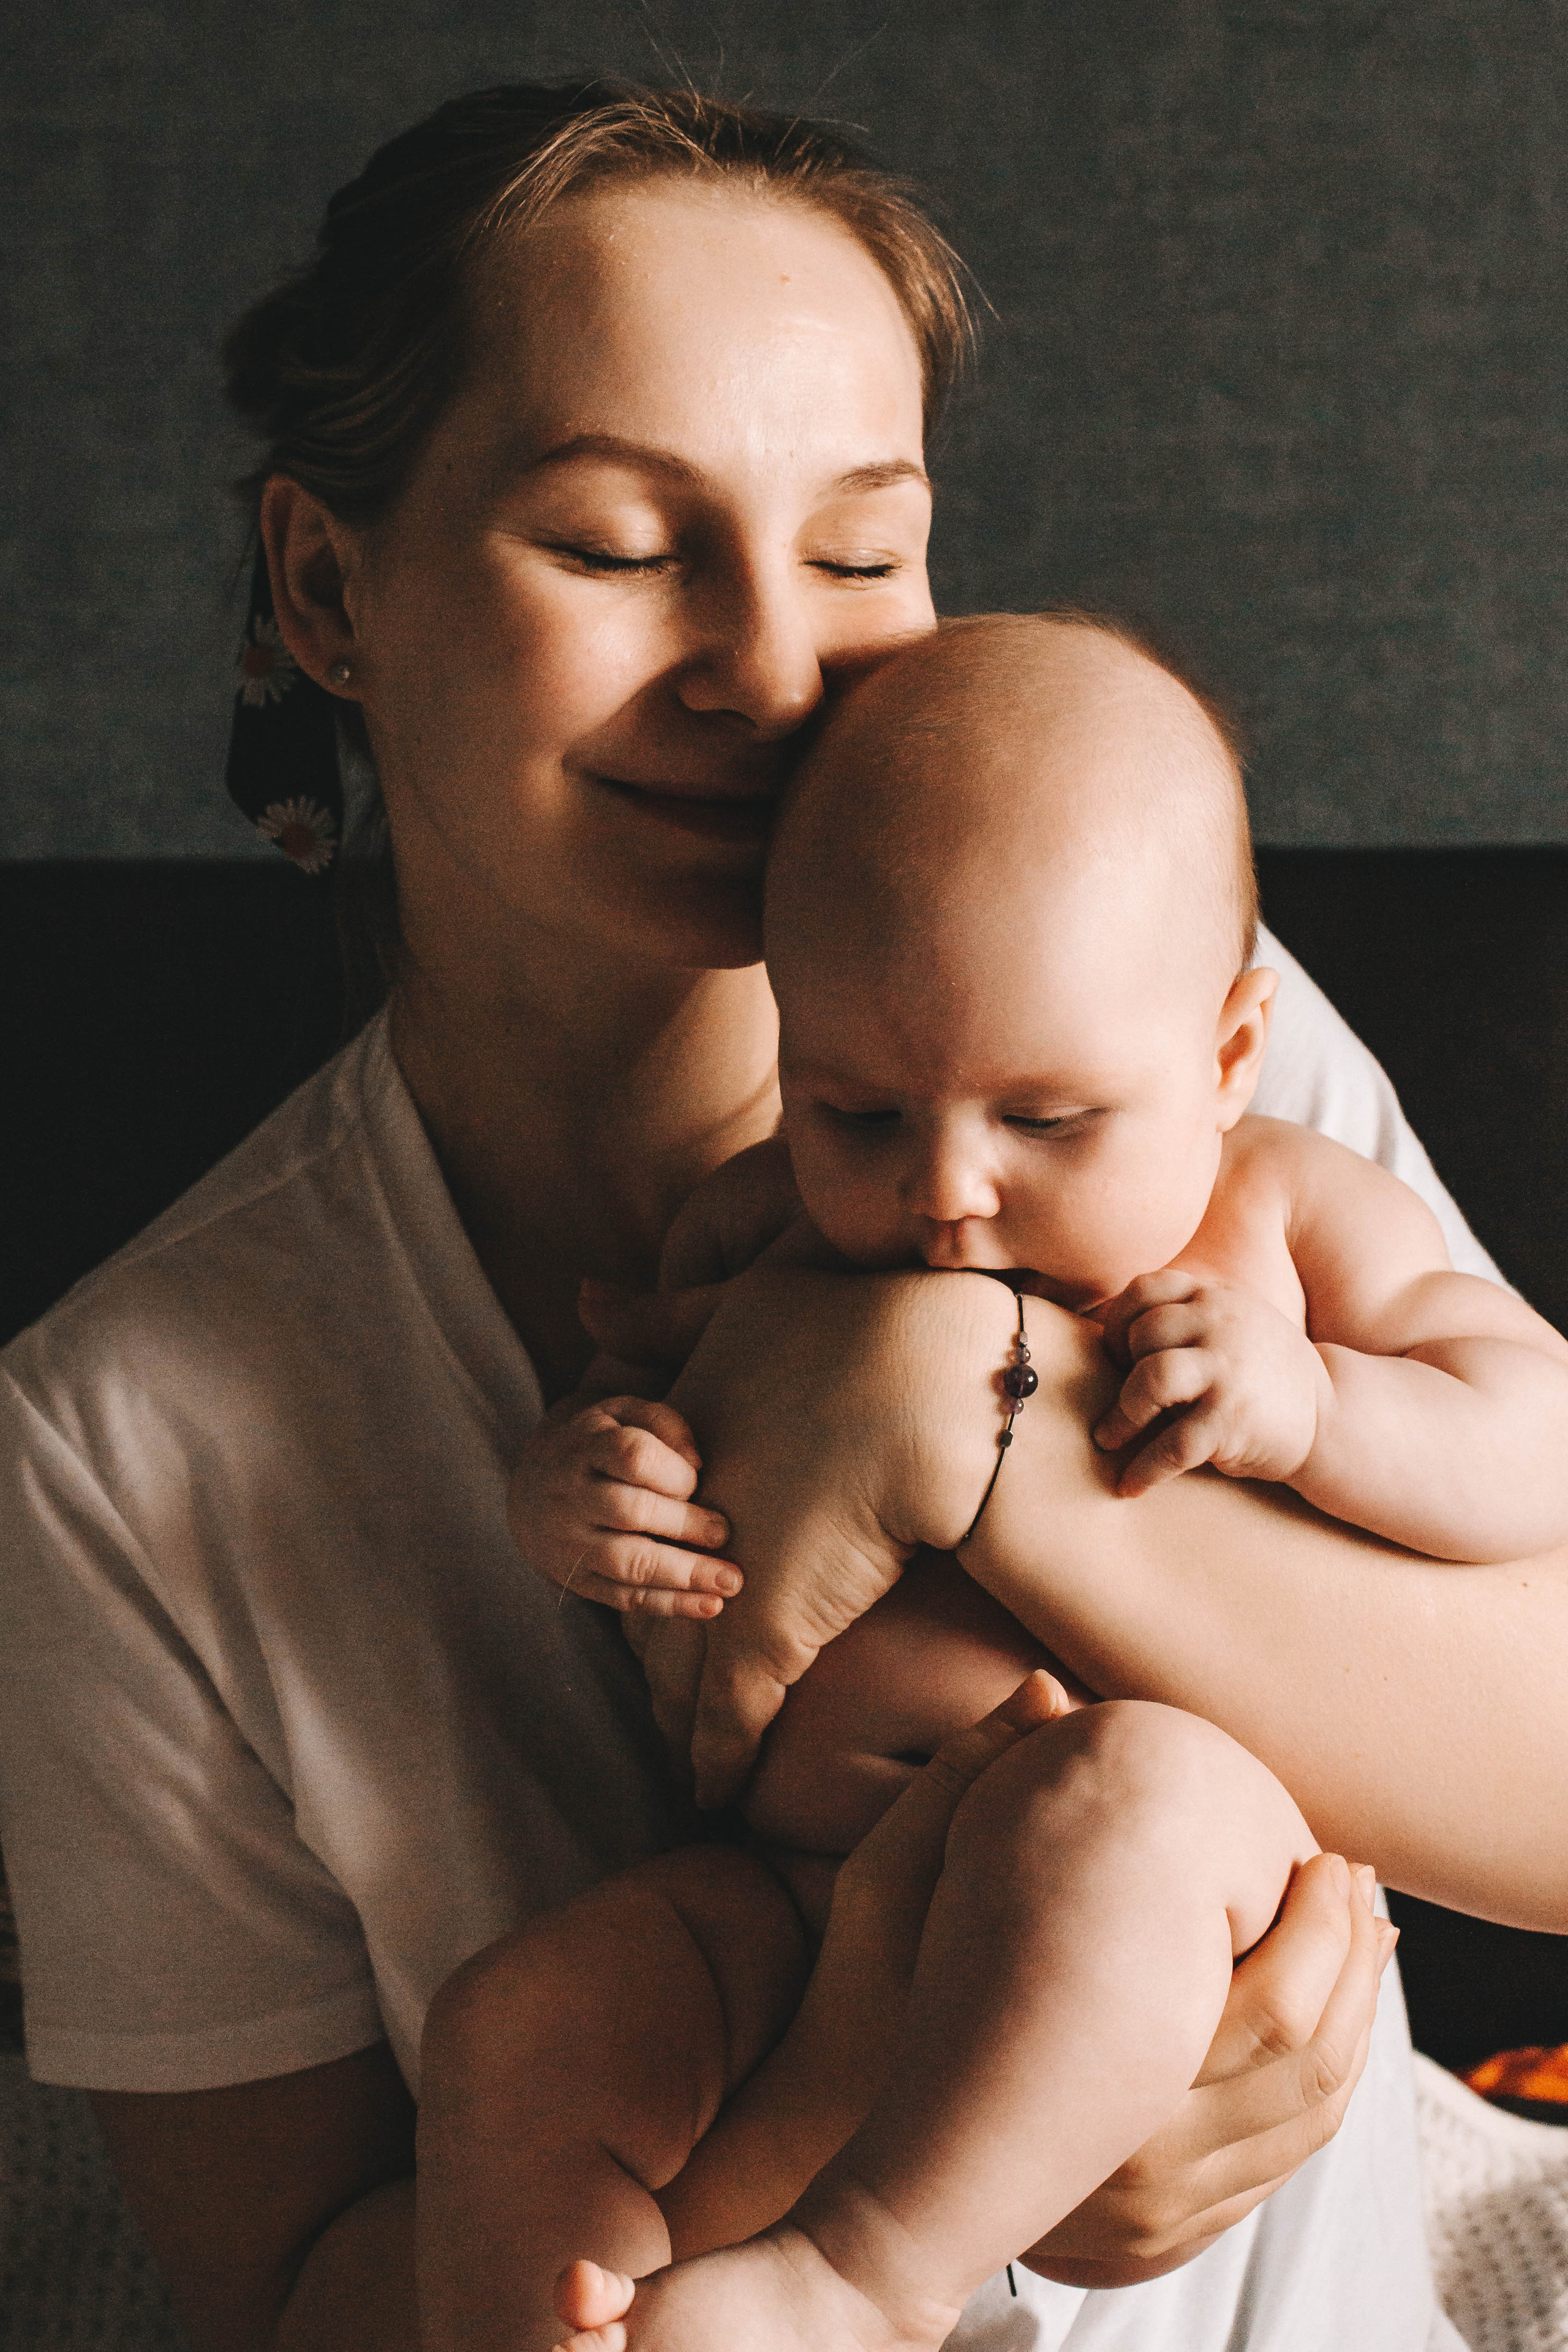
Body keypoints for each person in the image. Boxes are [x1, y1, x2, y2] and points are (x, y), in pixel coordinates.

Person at [0, 77, 1532, 2352]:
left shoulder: (1153, 1041)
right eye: (620, 547)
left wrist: (970, 1411)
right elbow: (279, 2286)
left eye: (855, 551)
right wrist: (875, 2157)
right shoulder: (133, 1432)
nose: (768, 672)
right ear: (329, 586)